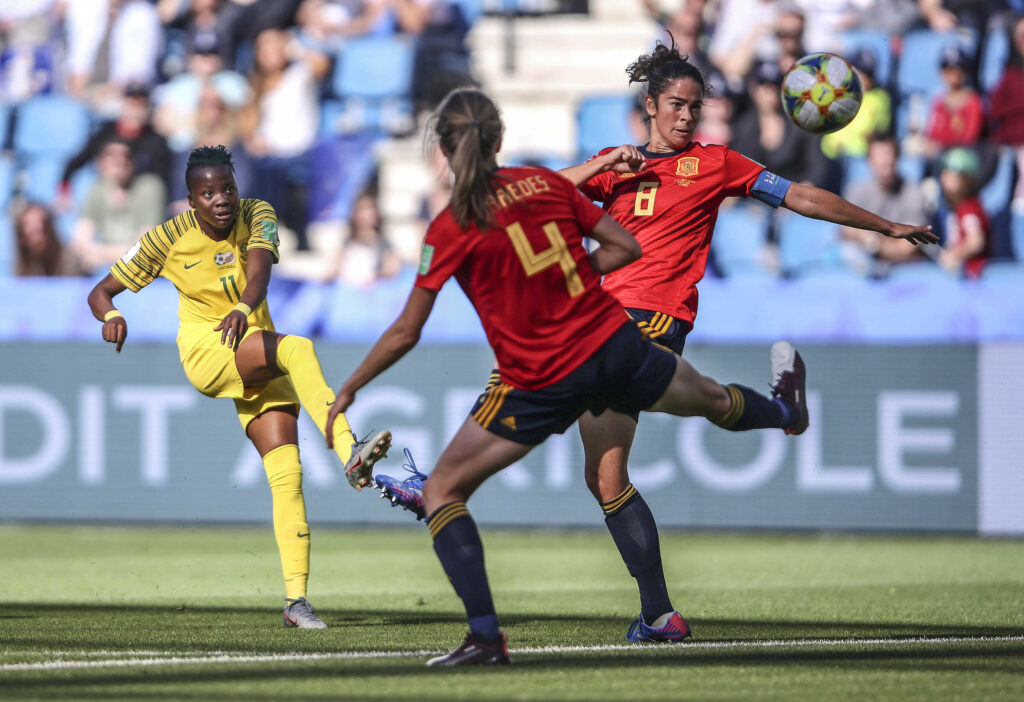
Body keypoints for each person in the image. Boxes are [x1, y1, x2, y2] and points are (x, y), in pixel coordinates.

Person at [371, 45, 937, 647]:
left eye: (695, 107)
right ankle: (665, 609)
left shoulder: (716, 164)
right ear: (649, 105)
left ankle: (444, 482)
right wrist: (605, 163)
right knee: (607, 476)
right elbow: (534, 196)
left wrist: (883, 223)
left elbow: (798, 194)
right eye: (676, 105)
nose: (687, 117)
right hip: (602, 311)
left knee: (548, 368)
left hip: (648, 320)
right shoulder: (617, 166)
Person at [328, 87, 835, 666]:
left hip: (547, 368)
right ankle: (785, 415)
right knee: (704, 405)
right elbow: (623, 245)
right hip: (613, 340)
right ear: (499, 139)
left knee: (448, 490)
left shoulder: (451, 225)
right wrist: (571, 276)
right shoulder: (544, 184)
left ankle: (487, 637)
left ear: (442, 151)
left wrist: (348, 388)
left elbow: (405, 332)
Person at [86, 145, 393, 629]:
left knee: (287, 475)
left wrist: (245, 310)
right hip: (208, 353)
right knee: (298, 349)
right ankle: (351, 453)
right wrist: (113, 314)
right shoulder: (166, 238)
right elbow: (99, 291)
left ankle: (296, 602)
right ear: (191, 201)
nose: (222, 199)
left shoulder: (259, 213)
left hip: (250, 345)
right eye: (208, 193)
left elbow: (259, 275)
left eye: (227, 188)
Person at [70, 138, 168, 275]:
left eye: (126, 155)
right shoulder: (96, 189)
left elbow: (146, 247)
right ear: (100, 163)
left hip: (143, 273)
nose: (120, 160)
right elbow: (80, 240)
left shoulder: (149, 188)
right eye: (112, 155)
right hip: (107, 270)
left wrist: (99, 254)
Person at [840, 133, 930, 275]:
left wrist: (875, 245)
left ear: (897, 158)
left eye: (888, 154)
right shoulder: (857, 190)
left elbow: (912, 243)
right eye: (878, 156)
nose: (884, 161)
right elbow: (846, 231)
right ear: (869, 160)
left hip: (902, 267)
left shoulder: (913, 193)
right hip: (862, 260)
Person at [935, 146, 991, 278]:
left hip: (973, 277)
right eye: (944, 173)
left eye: (950, 174)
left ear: (966, 179)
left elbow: (975, 242)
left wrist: (953, 255)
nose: (944, 178)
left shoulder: (969, 208)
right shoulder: (958, 207)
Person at [923, 44, 984, 158]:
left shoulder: (973, 101)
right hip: (938, 157)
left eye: (957, 69)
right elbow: (931, 133)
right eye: (948, 70)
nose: (953, 74)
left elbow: (969, 138)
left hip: (961, 158)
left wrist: (942, 147)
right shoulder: (938, 101)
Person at [13, 202, 82, 277]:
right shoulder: (24, 263)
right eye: (30, 234)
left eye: (40, 231)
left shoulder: (69, 260)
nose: (37, 240)